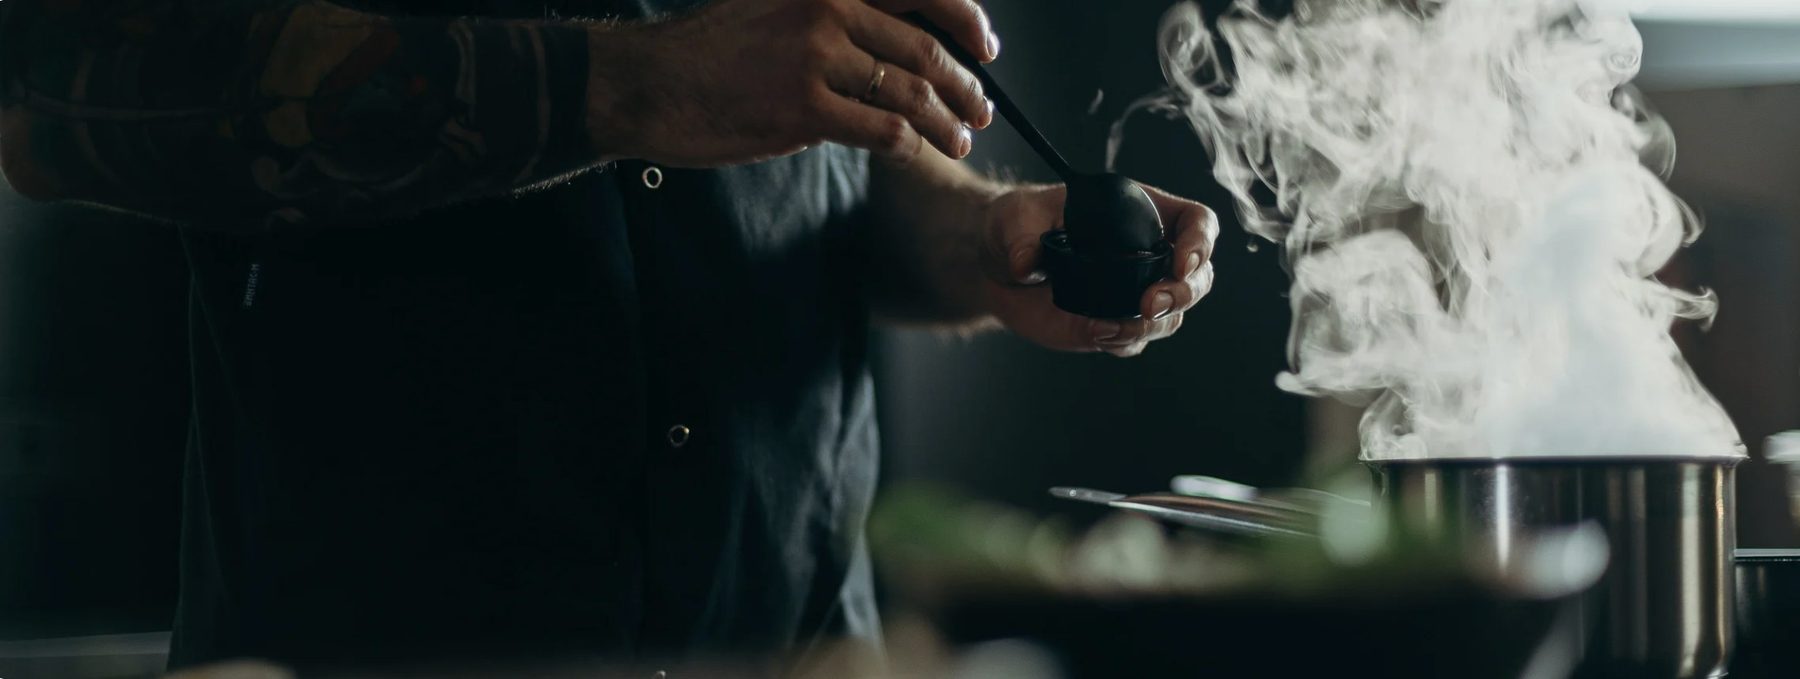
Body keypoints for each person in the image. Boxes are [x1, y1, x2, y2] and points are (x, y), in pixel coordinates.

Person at [0, 0, 1217, 672]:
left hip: (798, 651)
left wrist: (986, 238)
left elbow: (841, 173)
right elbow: (58, 91)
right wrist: (635, 85)